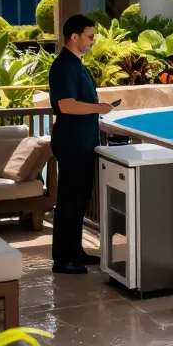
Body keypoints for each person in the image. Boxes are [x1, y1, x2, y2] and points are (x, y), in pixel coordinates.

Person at [48, 14, 114, 274]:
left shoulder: (76, 64)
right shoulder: (64, 66)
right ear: (73, 37)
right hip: (72, 143)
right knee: (69, 200)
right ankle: (62, 259)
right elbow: (66, 104)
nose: (92, 41)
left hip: (82, 142)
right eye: (89, 36)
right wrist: (100, 108)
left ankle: (75, 251)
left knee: (80, 199)